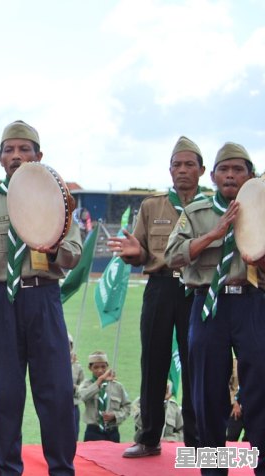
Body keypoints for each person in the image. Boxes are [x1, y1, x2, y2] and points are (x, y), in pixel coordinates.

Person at [0, 120, 81, 475]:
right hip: (3, 301)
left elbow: (73, 254)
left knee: (56, 393)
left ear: (38, 155)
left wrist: (55, 244)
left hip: (44, 299)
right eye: (9, 150)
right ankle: (7, 469)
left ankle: (62, 468)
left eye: (24, 149)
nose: (16, 156)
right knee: (7, 395)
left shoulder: (59, 201)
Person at [165, 141, 265, 473]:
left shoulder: (262, 210)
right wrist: (216, 233)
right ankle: (213, 470)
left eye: (239, 169)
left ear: (250, 176)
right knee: (207, 396)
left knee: (260, 390)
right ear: (213, 176)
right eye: (224, 169)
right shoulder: (196, 212)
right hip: (208, 306)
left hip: (252, 303)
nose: (231, 175)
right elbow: (172, 256)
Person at [108, 136, 203, 457]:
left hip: (197, 291)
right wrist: (134, 254)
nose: (183, 170)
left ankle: (196, 441)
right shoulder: (152, 205)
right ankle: (149, 438)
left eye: (190, 164)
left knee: (196, 367)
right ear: (169, 169)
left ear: (202, 170)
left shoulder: (212, 205)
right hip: (160, 288)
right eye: (177, 164)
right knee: (153, 362)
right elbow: (140, 250)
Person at [78, 351, 131, 443]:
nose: (100, 370)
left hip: (112, 432)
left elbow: (127, 407)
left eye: (103, 367)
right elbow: (82, 396)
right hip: (93, 431)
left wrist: (115, 415)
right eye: (96, 367)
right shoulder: (86, 385)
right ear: (90, 368)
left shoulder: (117, 386)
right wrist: (100, 380)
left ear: (107, 367)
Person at [226, 357, 247, 442]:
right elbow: (227, 385)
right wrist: (235, 403)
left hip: (252, 409)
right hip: (235, 409)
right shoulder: (233, 363)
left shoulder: (257, 362)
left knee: (250, 441)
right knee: (231, 438)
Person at [70, 334, 85, 441]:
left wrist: (75, 387)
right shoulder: (51, 365)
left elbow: (83, 385)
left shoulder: (77, 367)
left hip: (73, 405)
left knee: (73, 436)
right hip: (57, 406)